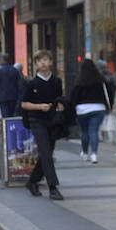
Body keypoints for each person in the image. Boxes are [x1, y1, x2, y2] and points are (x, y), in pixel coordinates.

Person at [21, 49, 68, 200]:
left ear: (51, 62)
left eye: (46, 60)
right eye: (40, 60)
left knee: (46, 153)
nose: (43, 63)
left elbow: (59, 98)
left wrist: (61, 105)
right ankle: (53, 187)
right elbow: (24, 104)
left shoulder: (57, 81)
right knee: (46, 152)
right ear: (35, 64)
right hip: (36, 120)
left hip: (52, 121)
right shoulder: (31, 83)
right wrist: (39, 107)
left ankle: (32, 181)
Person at [70, 58, 111, 165]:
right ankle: (94, 154)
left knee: (84, 132)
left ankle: (84, 153)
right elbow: (108, 93)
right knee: (94, 131)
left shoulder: (79, 82)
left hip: (82, 110)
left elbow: (73, 98)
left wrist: (72, 110)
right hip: (98, 109)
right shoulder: (100, 80)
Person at [0, 53, 22, 119]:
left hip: (2, 97)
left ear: (2, 60)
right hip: (13, 96)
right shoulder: (15, 70)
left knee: (4, 116)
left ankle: (6, 128)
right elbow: (19, 84)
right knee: (12, 115)